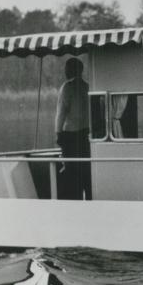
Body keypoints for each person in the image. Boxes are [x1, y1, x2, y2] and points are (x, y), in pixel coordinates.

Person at [54, 57, 92, 200]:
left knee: (71, 170)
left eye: (66, 68)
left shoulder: (67, 87)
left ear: (71, 70)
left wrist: (58, 133)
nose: (65, 71)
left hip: (70, 135)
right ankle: (88, 196)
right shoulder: (87, 86)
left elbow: (61, 112)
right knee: (85, 169)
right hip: (86, 134)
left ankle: (73, 199)